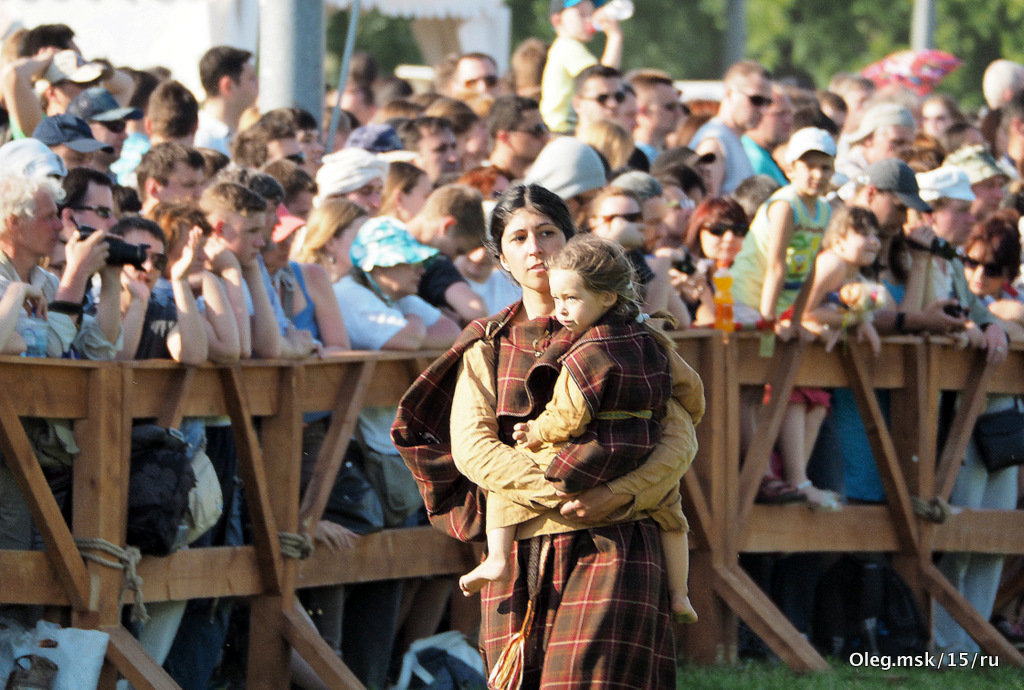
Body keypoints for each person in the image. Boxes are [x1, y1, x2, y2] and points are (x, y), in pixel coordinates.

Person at [395, 183, 703, 687]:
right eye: (518, 238)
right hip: (518, 550)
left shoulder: (633, 334)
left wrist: (617, 495)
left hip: (617, 542)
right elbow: (474, 451)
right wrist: (567, 494)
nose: (535, 247)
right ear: (502, 259)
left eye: (547, 232)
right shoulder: (487, 345)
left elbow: (680, 435)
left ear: (572, 240)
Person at [458, 233, 699, 624]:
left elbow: (569, 416)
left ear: (605, 297)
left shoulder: (585, 352)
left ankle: (497, 558)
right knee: (673, 512)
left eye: (571, 299)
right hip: (638, 448)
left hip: (588, 459)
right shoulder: (652, 339)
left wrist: (536, 434)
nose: (562, 309)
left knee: (505, 485)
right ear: (501, 255)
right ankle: (681, 593)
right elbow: (693, 395)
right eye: (519, 237)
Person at [731, 127, 837, 508]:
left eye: (825, 167)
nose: (817, 174)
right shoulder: (784, 204)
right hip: (749, 297)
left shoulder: (822, 209)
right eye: (809, 165)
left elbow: (807, 267)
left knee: (762, 387)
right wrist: (769, 319)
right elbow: (775, 264)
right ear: (791, 167)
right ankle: (763, 474)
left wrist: (796, 316)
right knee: (747, 386)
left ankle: (769, 474)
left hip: (778, 305)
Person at [932, 211, 1022, 655]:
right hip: (962, 425)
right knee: (959, 534)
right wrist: (992, 324)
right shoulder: (953, 290)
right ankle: (944, 647)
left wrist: (1002, 324)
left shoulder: (1008, 304)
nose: (978, 274)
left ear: (1008, 274)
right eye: (971, 262)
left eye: (991, 268)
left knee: (994, 538)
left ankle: (972, 645)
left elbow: (1009, 313)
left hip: (1004, 427)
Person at [802, 206, 889, 356]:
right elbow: (804, 313)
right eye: (864, 234)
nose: (874, 242)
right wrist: (853, 319)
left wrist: (864, 322)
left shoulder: (857, 277)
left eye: (875, 235)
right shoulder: (832, 264)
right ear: (837, 241)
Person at [689, 60, 773, 195]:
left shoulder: (732, 139)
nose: (763, 109)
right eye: (756, 100)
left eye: (768, 102)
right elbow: (706, 207)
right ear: (729, 93)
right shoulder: (714, 142)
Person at [540, 0, 622, 134]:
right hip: (562, 130)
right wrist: (615, 36)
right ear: (557, 20)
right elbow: (604, 81)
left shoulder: (567, 46)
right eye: (582, 14)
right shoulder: (568, 46)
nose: (589, 20)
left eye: (591, 14)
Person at [194, 46, 258, 155]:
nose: (258, 84)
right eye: (251, 79)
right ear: (227, 86)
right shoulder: (201, 140)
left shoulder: (239, 135)